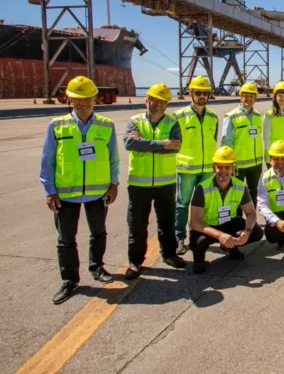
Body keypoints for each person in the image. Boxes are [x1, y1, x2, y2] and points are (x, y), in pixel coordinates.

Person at [40, 76, 119, 304]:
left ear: (95, 99)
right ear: (69, 99)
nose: (82, 103)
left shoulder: (106, 125)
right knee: (66, 239)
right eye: (77, 99)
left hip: (98, 192)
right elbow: (47, 160)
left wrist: (114, 184)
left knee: (98, 232)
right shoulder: (56, 125)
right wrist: (50, 191)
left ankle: (97, 267)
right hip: (65, 194)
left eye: (87, 98)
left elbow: (113, 157)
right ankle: (69, 279)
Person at [123, 83, 186, 279]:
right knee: (137, 225)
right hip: (139, 183)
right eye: (155, 101)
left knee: (167, 222)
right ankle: (135, 261)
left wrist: (145, 144)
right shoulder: (135, 121)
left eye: (163, 102)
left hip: (165, 183)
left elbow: (176, 146)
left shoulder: (172, 123)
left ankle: (169, 254)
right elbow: (130, 143)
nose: (158, 105)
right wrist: (161, 144)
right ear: (147, 100)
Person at [189, 146, 264, 274]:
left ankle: (231, 246)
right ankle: (199, 259)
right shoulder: (202, 188)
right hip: (207, 227)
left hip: (228, 224)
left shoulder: (240, 186)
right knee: (198, 242)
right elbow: (195, 223)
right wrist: (220, 235)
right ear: (214, 168)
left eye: (227, 167)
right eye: (220, 167)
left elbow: (251, 213)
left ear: (233, 169)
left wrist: (246, 231)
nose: (223, 171)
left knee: (256, 232)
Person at [173, 76, 219, 255]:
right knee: (183, 204)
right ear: (190, 93)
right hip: (186, 169)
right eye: (198, 92)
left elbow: (213, 141)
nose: (201, 96)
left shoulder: (213, 117)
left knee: (204, 205)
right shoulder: (178, 116)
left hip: (207, 169)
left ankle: (200, 235)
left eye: (205, 93)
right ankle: (179, 237)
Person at [221, 81, 264, 206]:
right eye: (246, 96)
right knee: (236, 193)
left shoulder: (258, 116)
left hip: (255, 163)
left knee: (254, 192)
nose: (249, 99)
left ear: (255, 98)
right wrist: (230, 162)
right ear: (241, 97)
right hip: (238, 164)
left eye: (252, 96)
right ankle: (238, 217)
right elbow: (226, 141)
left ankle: (252, 216)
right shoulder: (231, 116)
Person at [263, 81, 284, 167]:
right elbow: (266, 138)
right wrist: (273, 155)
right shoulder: (269, 115)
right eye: (280, 96)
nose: (283, 98)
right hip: (275, 157)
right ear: (275, 97)